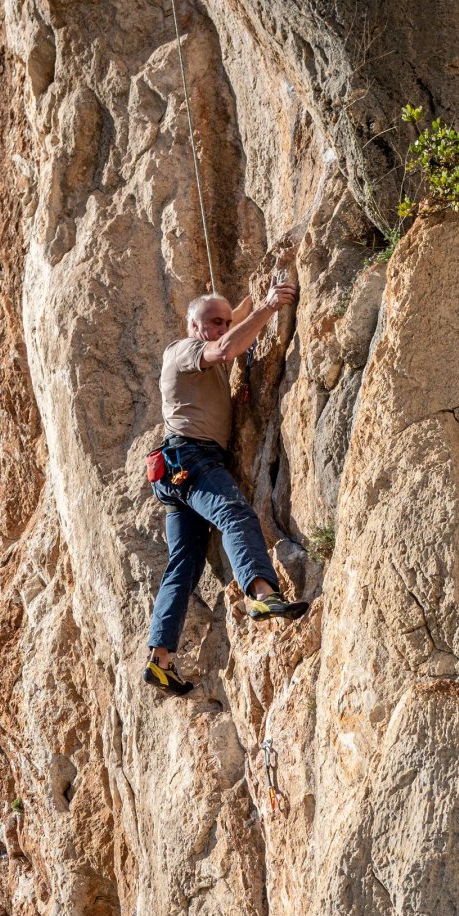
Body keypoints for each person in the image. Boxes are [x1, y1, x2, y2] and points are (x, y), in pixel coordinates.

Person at [144, 273, 309, 695]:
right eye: (212, 321)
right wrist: (269, 306)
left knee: (184, 564)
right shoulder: (184, 350)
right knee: (234, 513)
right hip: (192, 458)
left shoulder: (210, 335)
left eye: (225, 321)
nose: (221, 326)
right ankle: (262, 593)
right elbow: (225, 347)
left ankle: (160, 659)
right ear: (193, 326)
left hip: (175, 469)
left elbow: (231, 325)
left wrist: (255, 292)